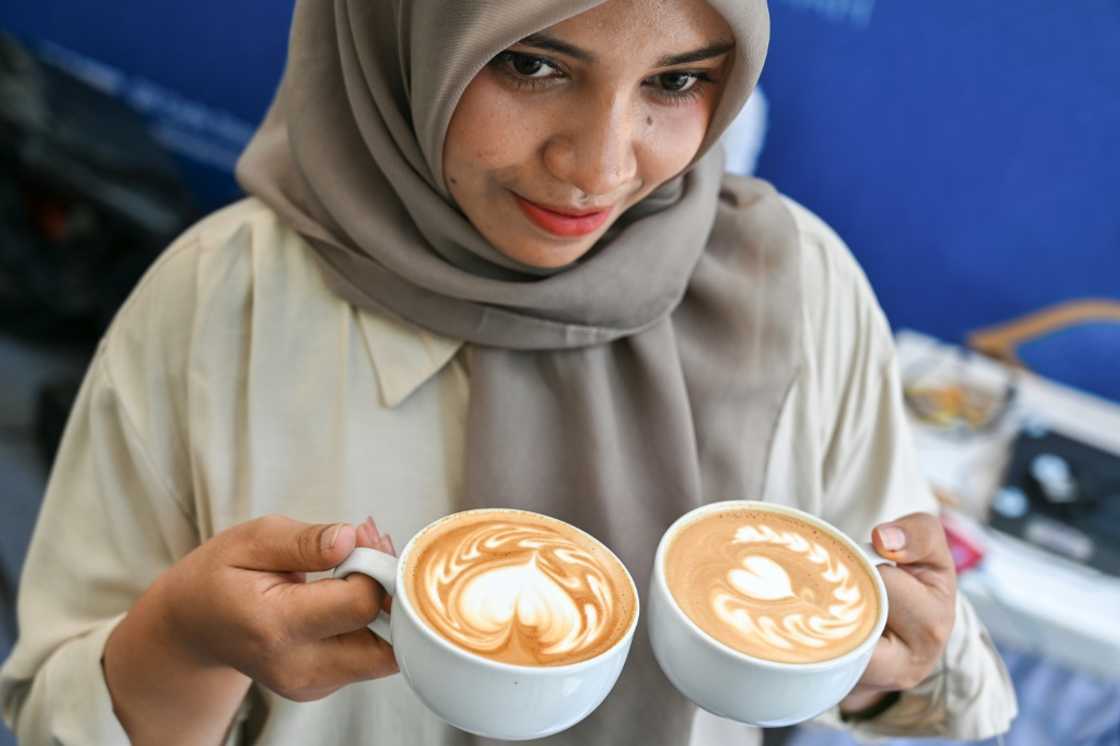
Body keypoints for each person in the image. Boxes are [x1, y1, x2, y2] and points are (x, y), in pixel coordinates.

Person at [0, 1, 1017, 744]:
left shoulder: (798, 287)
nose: (599, 164)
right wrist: (184, 638)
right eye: (532, 65)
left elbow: (936, 691)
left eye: (674, 80)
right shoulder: (218, 303)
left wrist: (905, 662)